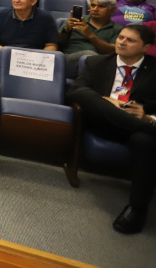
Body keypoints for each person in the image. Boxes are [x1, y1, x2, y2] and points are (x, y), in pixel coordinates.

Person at [66, 24, 156, 234]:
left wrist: (148, 118)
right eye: (120, 37)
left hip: (137, 130)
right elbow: (76, 92)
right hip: (102, 121)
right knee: (83, 94)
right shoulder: (96, 62)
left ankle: (137, 208)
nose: (121, 42)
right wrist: (108, 101)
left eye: (130, 40)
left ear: (146, 47)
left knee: (145, 141)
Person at [0, 0, 59, 69]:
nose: (16, 0)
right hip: (6, 55)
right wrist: (5, 52)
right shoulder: (1, 14)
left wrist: (39, 58)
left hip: (35, 58)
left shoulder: (46, 18)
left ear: (33, 1)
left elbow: (51, 45)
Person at [58, 0, 120, 77]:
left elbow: (113, 50)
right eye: (93, 5)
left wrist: (90, 35)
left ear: (112, 10)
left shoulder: (117, 28)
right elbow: (57, 42)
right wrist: (67, 30)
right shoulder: (75, 21)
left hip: (100, 64)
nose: (95, 9)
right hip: (69, 60)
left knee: (94, 59)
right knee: (89, 55)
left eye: (101, 6)